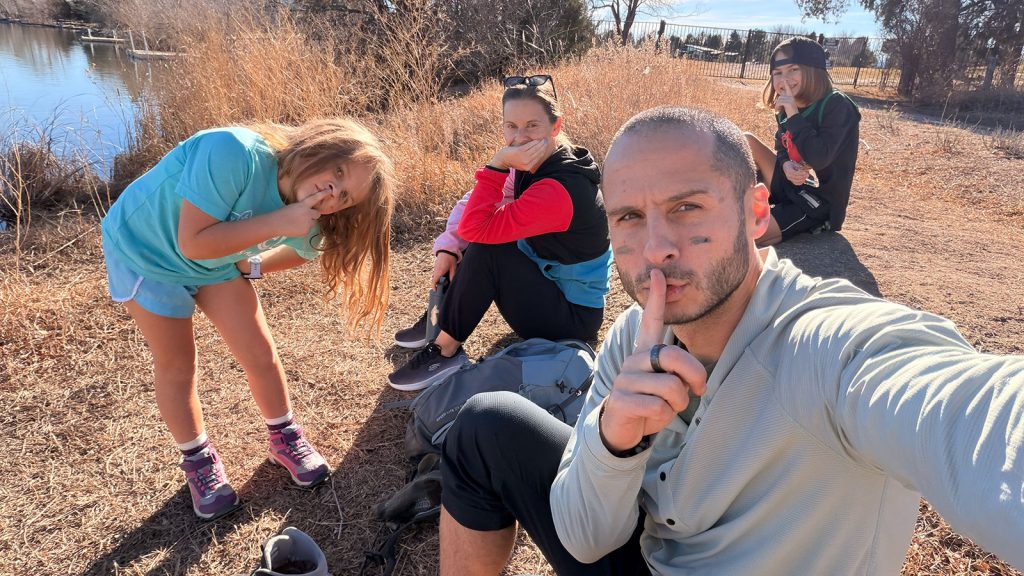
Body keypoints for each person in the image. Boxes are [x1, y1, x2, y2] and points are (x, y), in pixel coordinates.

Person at [437, 106, 1024, 575]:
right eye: (629, 218)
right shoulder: (629, 342)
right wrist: (613, 441)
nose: (656, 248)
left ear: (756, 211)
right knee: (482, 425)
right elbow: (586, 541)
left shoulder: (827, 347)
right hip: (649, 559)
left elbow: (970, 411)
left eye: (687, 207)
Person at [100, 118, 394, 520]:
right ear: (319, 146)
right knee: (178, 365)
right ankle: (198, 461)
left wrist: (249, 268)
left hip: (216, 261)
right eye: (337, 171)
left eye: (344, 196)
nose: (331, 192)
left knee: (261, 353)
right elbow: (192, 241)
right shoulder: (232, 152)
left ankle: (284, 437)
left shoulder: (309, 220)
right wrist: (277, 222)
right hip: (148, 253)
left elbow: (299, 252)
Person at [387, 74, 612, 392]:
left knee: (489, 247)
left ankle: (446, 350)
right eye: (511, 126)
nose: (519, 137)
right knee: (471, 239)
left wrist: (496, 164)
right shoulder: (532, 163)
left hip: (571, 320)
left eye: (532, 125)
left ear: (556, 126)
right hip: (548, 283)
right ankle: (441, 315)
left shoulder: (560, 188)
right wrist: (448, 248)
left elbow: (478, 227)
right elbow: (473, 205)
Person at [744, 36, 861, 246]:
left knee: (749, 238)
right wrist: (786, 164)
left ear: (813, 70)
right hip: (794, 187)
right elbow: (782, 145)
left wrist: (793, 114)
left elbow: (820, 157)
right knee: (746, 140)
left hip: (819, 203)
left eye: (793, 70)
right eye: (777, 73)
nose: (784, 78)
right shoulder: (787, 109)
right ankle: (731, 204)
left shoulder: (837, 104)